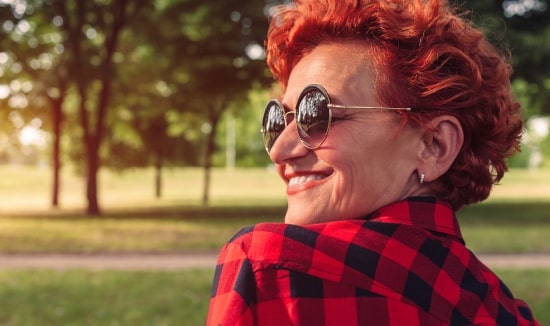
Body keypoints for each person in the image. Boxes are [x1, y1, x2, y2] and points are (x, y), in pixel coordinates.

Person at [207, 0, 540, 324]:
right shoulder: (507, 310)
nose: (280, 150)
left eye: (318, 114)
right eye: (280, 119)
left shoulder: (271, 269)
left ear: (433, 145)